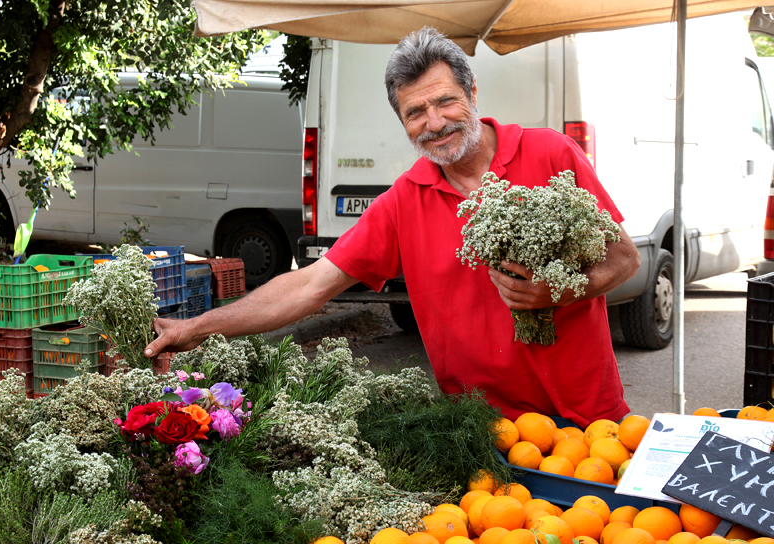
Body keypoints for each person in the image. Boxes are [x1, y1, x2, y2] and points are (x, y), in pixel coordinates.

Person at [146, 27, 640, 428]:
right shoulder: (405, 201)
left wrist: (555, 292)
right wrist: (198, 327)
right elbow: (309, 285)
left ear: (471, 92)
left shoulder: (550, 153)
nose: (434, 122)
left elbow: (624, 258)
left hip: (589, 419)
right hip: (486, 431)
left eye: (445, 102)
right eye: (415, 112)